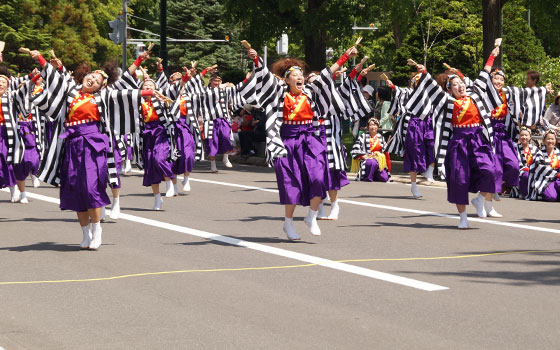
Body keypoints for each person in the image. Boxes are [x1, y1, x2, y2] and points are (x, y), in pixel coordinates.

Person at [29, 49, 155, 250]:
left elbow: (124, 88)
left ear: (100, 86)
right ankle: (85, 233)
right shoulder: (71, 91)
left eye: (96, 81)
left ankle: (97, 229)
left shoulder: (103, 96)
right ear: (85, 75)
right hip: (71, 145)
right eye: (91, 77)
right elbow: (57, 79)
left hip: (93, 145)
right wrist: (41, 60)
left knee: (90, 188)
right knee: (75, 190)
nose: (92, 81)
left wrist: (146, 86)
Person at [242, 45, 356, 241]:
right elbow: (266, 77)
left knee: (319, 178)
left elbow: (328, 73)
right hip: (287, 141)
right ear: (287, 80)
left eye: (301, 74)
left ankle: (312, 216)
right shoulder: (280, 93)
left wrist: (346, 56)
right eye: (294, 75)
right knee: (291, 185)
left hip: (310, 139)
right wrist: (256, 60)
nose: (299, 77)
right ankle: (288, 223)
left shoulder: (311, 91)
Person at [404, 46, 504, 229]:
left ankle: (480, 199)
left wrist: (492, 56)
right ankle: (463, 217)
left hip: (478, 140)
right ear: (450, 89)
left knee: (490, 171)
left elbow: (484, 74)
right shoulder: (448, 102)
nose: (461, 86)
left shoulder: (475, 95)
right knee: (459, 180)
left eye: (462, 83)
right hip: (458, 143)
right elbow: (433, 89)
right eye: (456, 85)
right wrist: (424, 72)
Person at [385, 73, 435, 199]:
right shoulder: (410, 92)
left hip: (428, 123)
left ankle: (429, 170)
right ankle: (414, 185)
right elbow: (399, 91)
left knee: (434, 146)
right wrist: (392, 86)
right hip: (413, 123)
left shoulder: (430, 94)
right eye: (417, 82)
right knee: (413, 153)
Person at [352, 118, 391, 182]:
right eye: (371, 125)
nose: (373, 127)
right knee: (372, 162)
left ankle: (374, 175)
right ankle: (367, 177)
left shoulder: (380, 137)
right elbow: (355, 150)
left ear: (378, 127)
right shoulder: (363, 136)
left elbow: (386, 153)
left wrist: (388, 168)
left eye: (375, 125)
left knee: (384, 178)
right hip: (367, 161)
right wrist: (363, 156)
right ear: (368, 127)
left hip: (379, 161)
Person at [527, 130, 560, 201]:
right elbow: (541, 168)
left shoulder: (558, 153)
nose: (550, 141)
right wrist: (557, 174)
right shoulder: (539, 153)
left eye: (552, 139)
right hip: (544, 180)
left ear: (555, 141)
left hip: (557, 179)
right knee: (551, 197)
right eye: (548, 139)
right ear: (544, 141)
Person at [511, 127, 538, 199]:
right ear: (519, 137)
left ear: (530, 137)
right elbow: (514, 162)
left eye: (526, 135)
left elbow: (538, 162)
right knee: (526, 174)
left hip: (532, 171)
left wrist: (531, 169)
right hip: (520, 171)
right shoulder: (515, 148)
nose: (524, 137)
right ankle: (524, 193)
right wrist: (524, 168)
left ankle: (532, 193)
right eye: (522, 135)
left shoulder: (535, 149)